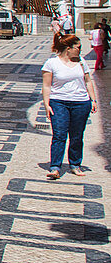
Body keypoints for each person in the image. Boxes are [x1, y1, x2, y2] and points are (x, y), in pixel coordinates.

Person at [41, 34, 97, 180]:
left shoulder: (81, 62)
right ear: (68, 49)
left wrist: (93, 99)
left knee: (77, 136)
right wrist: (46, 104)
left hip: (81, 102)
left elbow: (88, 81)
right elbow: (46, 86)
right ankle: (55, 167)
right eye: (78, 47)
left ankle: (75, 164)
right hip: (58, 102)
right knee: (59, 134)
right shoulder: (51, 63)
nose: (80, 50)